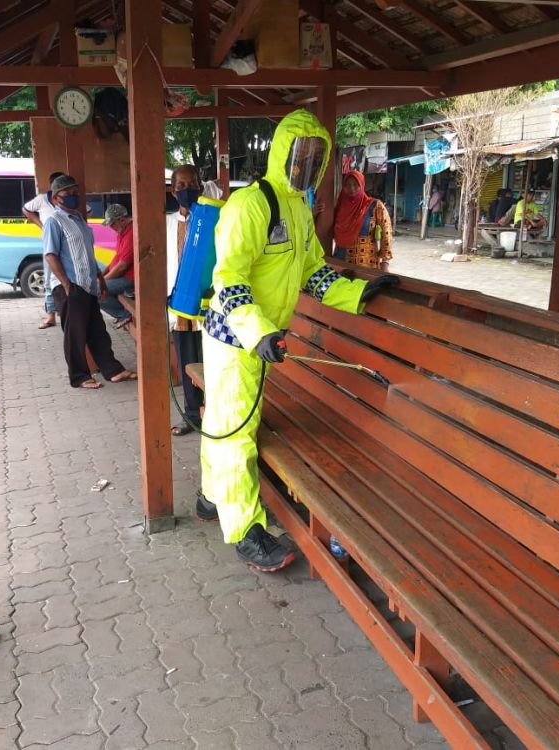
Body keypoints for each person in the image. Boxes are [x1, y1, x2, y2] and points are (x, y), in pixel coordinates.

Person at [198, 110, 398, 572]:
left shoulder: (297, 207)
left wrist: (356, 291)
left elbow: (311, 270)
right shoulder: (250, 205)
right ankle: (244, 528)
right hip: (236, 340)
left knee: (228, 422)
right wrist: (259, 331)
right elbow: (228, 279)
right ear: (281, 153)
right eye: (299, 153)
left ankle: (213, 497)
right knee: (237, 433)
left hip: (263, 341)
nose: (306, 163)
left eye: (316, 156)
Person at [43, 174, 136, 389]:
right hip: (70, 286)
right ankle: (79, 377)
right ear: (57, 199)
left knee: (97, 331)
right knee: (75, 334)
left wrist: (101, 280)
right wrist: (66, 284)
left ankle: (113, 371)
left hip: (88, 285)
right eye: (68, 194)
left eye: (76, 193)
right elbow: (50, 255)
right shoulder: (53, 222)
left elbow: (88, 254)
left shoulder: (79, 221)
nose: (74, 197)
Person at [166, 165, 221, 437]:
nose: (186, 189)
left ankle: (213, 413)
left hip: (208, 306)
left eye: (192, 184)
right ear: (172, 191)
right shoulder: (168, 223)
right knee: (187, 360)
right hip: (178, 307)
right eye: (180, 185)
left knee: (211, 360)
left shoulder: (213, 220)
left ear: (201, 187)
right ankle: (191, 415)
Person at [23, 171, 65, 329]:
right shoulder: (42, 199)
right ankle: (50, 316)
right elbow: (26, 209)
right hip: (51, 246)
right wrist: (41, 226)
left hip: (67, 246)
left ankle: (66, 312)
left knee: (66, 279)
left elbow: (87, 210)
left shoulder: (66, 200)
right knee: (49, 280)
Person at [332, 170, 393, 268]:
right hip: (340, 263)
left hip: (366, 265)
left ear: (362, 185)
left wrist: (385, 263)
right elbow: (326, 230)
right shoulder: (339, 207)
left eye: (355, 184)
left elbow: (387, 234)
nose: (351, 188)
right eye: (347, 185)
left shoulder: (375, 206)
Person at [99, 203, 135, 327]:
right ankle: (122, 313)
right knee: (96, 286)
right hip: (124, 277)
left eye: (112, 223)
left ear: (121, 220)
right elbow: (116, 259)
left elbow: (122, 266)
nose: (111, 227)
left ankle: (124, 314)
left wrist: (102, 281)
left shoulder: (131, 233)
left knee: (96, 290)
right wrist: (101, 276)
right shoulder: (122, 233)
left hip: (130, 279)